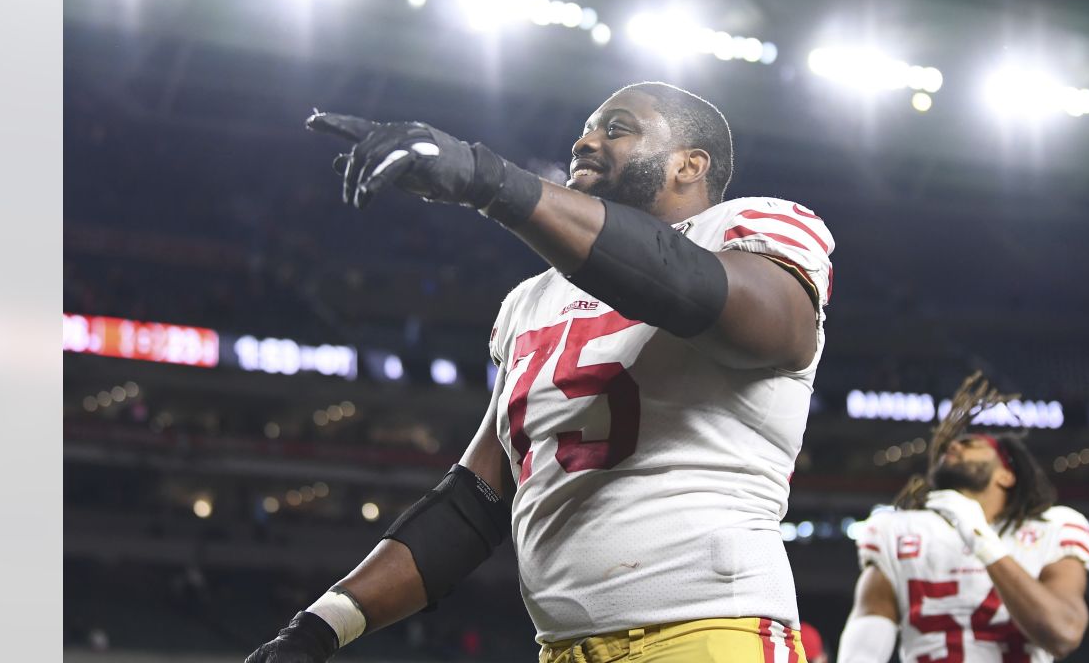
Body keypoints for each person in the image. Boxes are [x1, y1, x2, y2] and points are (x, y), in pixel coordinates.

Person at [246, 81, 836, 662]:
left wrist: (490, 180)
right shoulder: (531, 299)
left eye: (616, 128)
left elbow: (748, 317)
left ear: (690, 164)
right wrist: (318, 629)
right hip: (558, 649)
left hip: (709, 633)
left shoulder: (752, 225)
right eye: (584, 127)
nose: (585, 141)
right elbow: (473, 503)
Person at [836, 373, 1089, 663]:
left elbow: (1064, 634)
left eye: (971, 444)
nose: (953, 446)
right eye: (951, 446)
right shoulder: (899, 529)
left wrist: (979, 536)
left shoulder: (1052, 527)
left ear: (1007, 474)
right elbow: (865, 646)